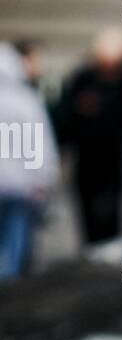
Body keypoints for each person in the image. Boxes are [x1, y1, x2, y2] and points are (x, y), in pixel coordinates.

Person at [54, 28, 122, 243]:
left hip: (115, 158)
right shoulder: (82, 78)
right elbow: (64, 116)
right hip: (86, 158)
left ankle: (110, 251)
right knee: (87, 213)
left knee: (113, 214)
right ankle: (91, 251)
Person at [0, 42, 60, 280]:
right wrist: (44, 181)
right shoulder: (27, 101)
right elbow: (41, 147)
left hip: (15, 187)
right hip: (21, 188)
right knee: (16, 246)